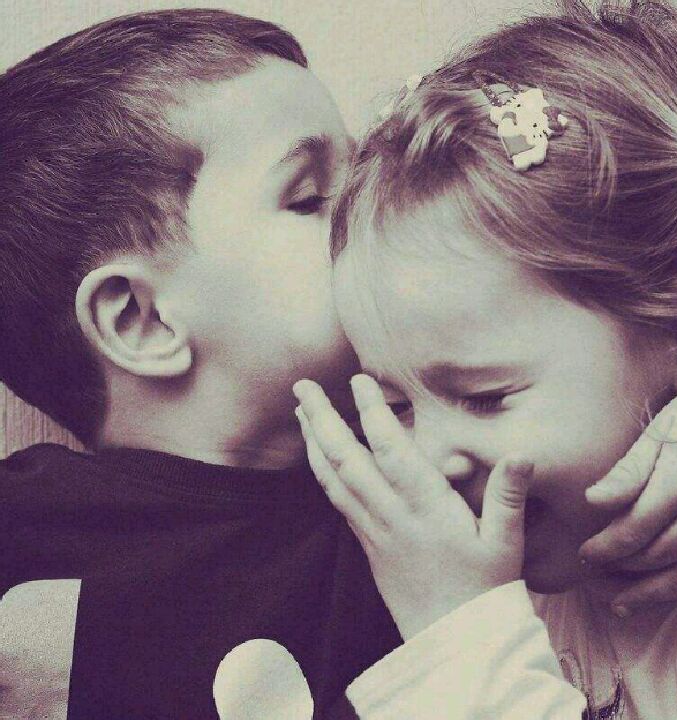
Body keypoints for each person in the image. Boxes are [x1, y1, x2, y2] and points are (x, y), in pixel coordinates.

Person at [293, 0, 677, 717]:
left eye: (485, 397)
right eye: (396, 408)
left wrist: (458, 640)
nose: (427, 461)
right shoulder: (508, 581)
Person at [0, 10, 401, 719]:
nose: (381, 207)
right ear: (142, 320)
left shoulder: (421, 488)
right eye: (311, 197)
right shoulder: (18, 531)